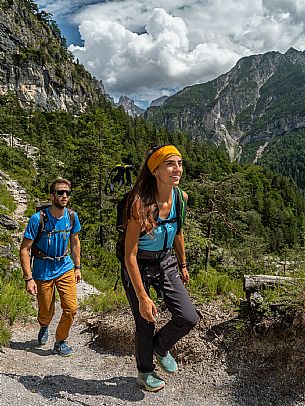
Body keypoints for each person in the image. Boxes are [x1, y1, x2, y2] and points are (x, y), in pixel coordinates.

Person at [122, 145, 198, 392]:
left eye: (180, 163)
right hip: (140, 263)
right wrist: (143, 297)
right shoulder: (139, 204)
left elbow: (177, 232)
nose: (177, 169)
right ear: (155, 170)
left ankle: (160, 347)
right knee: (146, 321)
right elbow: (129, 255)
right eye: (170, 164)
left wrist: (183, 263)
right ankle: (145, 372)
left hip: (165, 261)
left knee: (188, 317)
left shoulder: (180, 198)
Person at [19, 178, 81, 357]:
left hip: (64, 266)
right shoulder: (38, 219)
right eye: (60, 192)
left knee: (71, 308)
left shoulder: (71, 216)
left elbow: (75, 242)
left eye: (67, 193)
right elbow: (24, 248)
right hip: (42, 270)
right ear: (52, 195)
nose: (64, 196)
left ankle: (60, 341)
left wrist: (77, 267)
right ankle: (44, 324)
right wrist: (28, 278)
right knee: (46, 309)